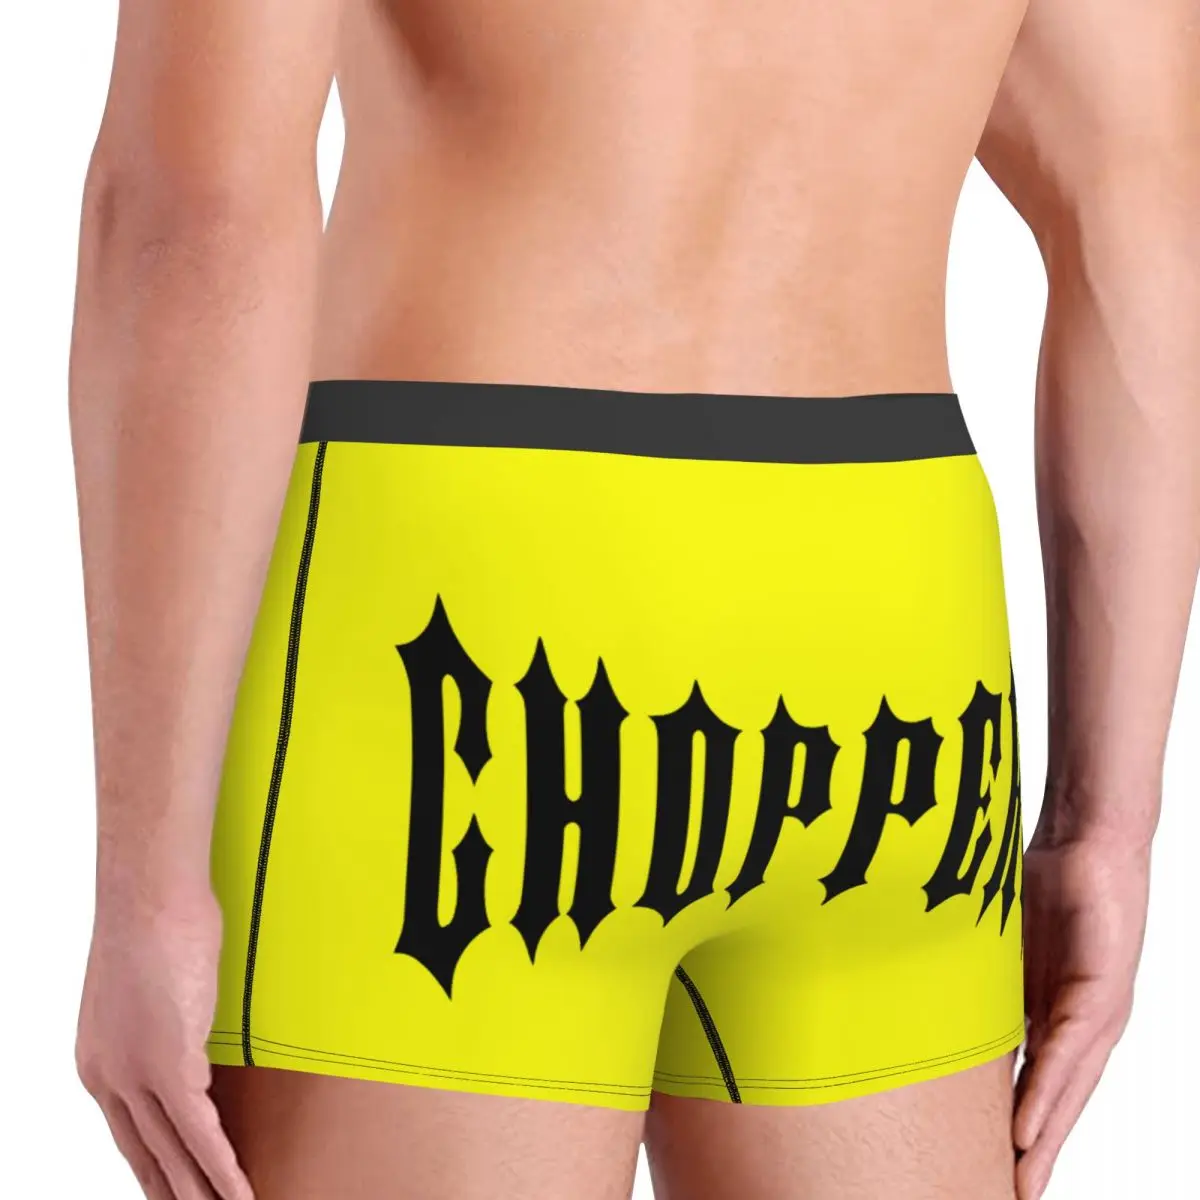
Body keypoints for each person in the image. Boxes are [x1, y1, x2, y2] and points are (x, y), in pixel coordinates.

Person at [69, 1, 1198, 1197]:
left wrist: (148, 882)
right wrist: (1105, 828)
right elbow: (1146, 217)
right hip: (890, 651)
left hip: (469, 637)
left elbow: (194, 217)